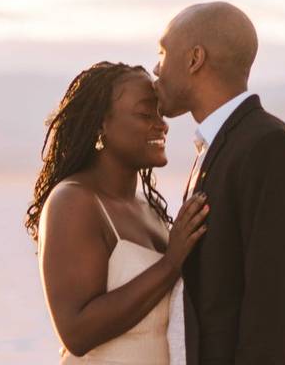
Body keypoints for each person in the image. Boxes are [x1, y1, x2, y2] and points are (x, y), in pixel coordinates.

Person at [153, 2, 285, 365]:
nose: (156, 68)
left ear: (195, 58)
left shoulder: (269, 145)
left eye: (163, 52)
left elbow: (274, 295)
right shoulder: (218, 146)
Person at [26, 61, 207, 363]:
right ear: (101, 125)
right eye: (144, 114)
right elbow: (76, 332)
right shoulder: (73, 202)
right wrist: (171, 264)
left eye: (160, 113)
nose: (161, 124)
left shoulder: (149, 209)